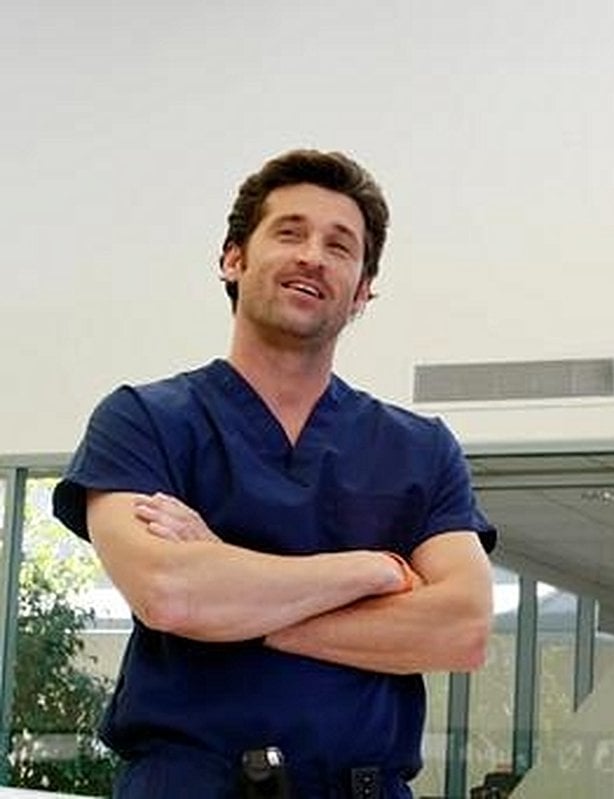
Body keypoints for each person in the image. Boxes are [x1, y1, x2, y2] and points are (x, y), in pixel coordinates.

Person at [53, 149, 496, 799]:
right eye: (290, 233)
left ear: (362, 291)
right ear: (233, 258)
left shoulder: (420, 449)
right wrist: (372, 571)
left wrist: (230, 589)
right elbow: (170, 593)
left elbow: (462, 628)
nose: (313, 256)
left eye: (340, 246)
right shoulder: (145, 420)